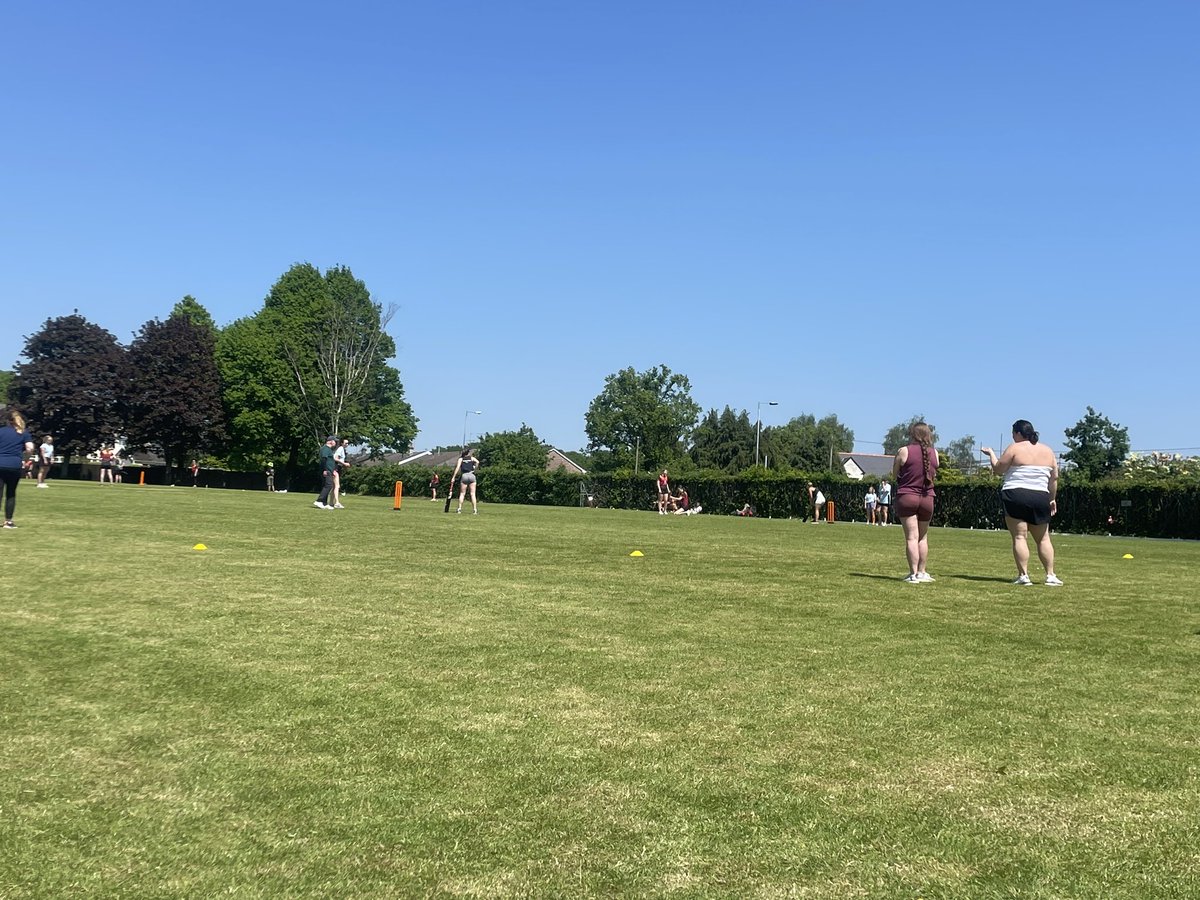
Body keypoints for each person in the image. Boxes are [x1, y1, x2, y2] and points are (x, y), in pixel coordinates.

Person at [982, 420, 1063, 586]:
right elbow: (1053, 478)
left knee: (1020, 537)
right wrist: (1052, 499)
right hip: (1040, 496)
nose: (1013, 437)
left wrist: (991, 453)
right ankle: (1050, 575)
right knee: (1043, 538)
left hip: (1015, 494)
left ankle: (1024, 576)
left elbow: (998, 469)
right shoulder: (1047, 451)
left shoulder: (1014, 448)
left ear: (1018, 433)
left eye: (1013, 433)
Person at [893, 421, 938, 583]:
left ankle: (912, 574)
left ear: (912, 434)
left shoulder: (904, 451)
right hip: (927, 498)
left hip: (907, 496)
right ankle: (922, 572)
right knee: (923, 537)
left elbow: (894, 475)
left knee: (912, 537)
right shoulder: (935, 453)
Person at [1, 409, 35, 528]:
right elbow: (30, 448)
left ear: (8, 421)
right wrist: (25, 459)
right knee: (11, 493)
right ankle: (8, 521)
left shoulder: (1, 431)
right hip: (14, 465)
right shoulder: (24, 433)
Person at [452, 447, 481, 514]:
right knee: (473, 494)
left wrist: (453, 477)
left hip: (464, 475)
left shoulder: (461, 459)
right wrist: (474, 468)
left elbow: (457, 468)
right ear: (468, 452)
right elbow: (478, 462)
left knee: (462, 494)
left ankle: (459, 509)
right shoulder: (471, 458)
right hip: (472, 475)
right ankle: (475, 510)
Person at [314, 436, 338, 509]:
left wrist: (333, 470)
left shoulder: (329, 450)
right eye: (335, 441)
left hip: (330, 470)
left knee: (326, 485)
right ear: (331, 441)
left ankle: (324, 503)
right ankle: (319, 500)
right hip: (326, 470)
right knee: (329, 485)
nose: (335, 443)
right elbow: (323, 460)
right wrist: (324, 470)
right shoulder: (325, 449)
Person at [331, 438, 349, 509]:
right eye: (345, 443)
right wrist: (344, 463)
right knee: (337, 486)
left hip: (338, 467)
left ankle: (331, 502)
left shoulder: (342, 449)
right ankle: (337, 503)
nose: (347, 444)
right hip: (336, 467)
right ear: (342, 443)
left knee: (334, 486)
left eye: (347, 443)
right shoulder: (340, 449)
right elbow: (335, 458)